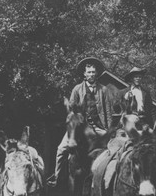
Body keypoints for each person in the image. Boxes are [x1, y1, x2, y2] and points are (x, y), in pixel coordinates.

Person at [47, 57, 116, 187]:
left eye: (93, 72)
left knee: (110, 148)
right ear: (84, 74)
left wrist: (108, 130)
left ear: (97, 73)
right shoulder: (77, 89)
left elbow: (108, 112)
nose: (91, 75)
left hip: (98, 126)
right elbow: (71, 110)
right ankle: (56, 177)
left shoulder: (104, 90)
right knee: (61, 149)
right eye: (88, 72)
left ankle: (108, 179)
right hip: (79, 126)